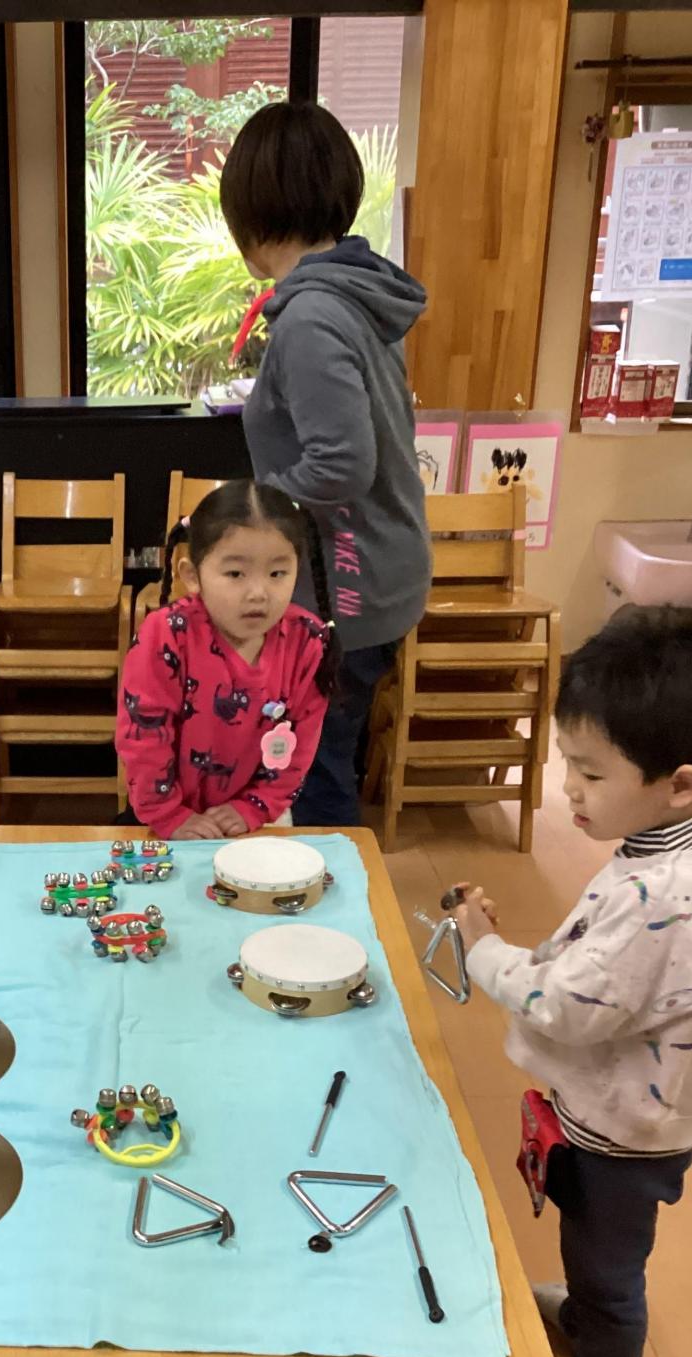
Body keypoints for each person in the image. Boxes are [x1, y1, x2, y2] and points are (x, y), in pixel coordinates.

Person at [453, 610, 692, 1357]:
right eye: (570, 764)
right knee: (594, 1247)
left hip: (623, 1133)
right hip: (646, 1108)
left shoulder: (662, 895)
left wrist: (484, 949)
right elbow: (612, 976)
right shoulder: (675, 850)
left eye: (591, 774)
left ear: (681, 784)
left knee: (609, 1268)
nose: (569, 791)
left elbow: (566, 1005)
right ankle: (586, 1310)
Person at [220, 101, 431, 828]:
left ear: (248, 213)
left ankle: (327, 897)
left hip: (347, 590)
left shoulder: (312, 316)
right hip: (372, 576)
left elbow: (341, 464)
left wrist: (248, 511)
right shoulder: (354, 297)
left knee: (312, 776)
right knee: (319, 759)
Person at [117, 480, 337, 839]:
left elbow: (300, 746)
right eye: (235, 574)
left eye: (277, 573)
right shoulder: (167, 635)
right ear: (192, 576)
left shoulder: (308, 642)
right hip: (167, 820)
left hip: (259, 818)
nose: (258, 593)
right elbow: (145, 738)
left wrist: (255, 806)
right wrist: (168, 815)